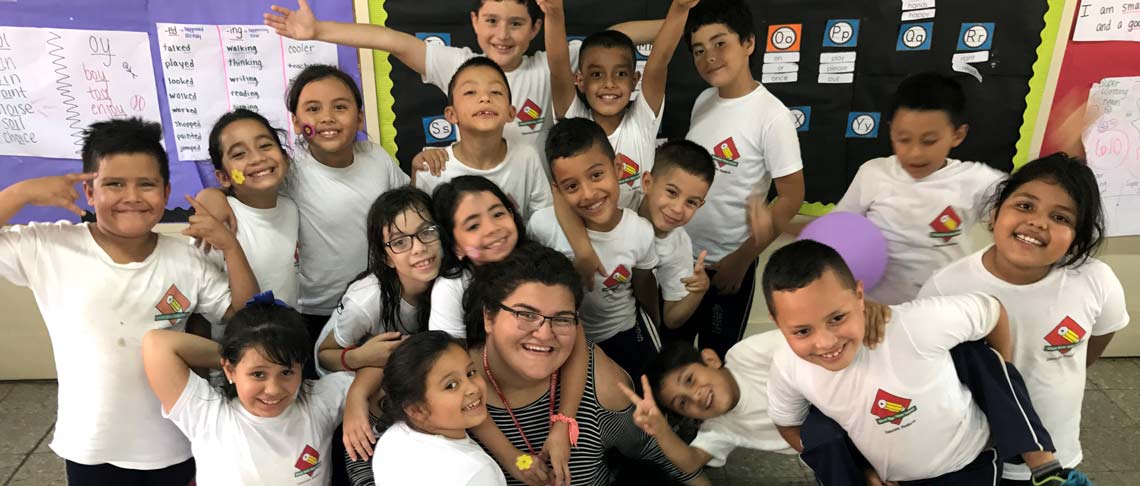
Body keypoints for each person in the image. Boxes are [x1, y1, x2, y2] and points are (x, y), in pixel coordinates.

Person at [0, 118, 257, 485]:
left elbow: (246, 319)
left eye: (147, 184)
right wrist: (22, 192)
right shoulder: (49, 246)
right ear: (90, 192)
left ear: (166, 191)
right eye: (114, 184)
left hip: (174, 441)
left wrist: (232, 248)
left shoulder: (186, 257)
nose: (132, 197)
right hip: (92, 444)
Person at [763, 240, 1082, 485]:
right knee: (818, 429)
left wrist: (1000, 386)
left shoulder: (916, 324)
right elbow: (789, 424)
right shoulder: (787, 366)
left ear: (860, 296)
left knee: (978, 355)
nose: (826, 342)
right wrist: (861, 471)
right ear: (777, 323)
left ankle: (1043, 464)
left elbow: (993, 312)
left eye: (837, 318)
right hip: (892, 479)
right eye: (803, 331)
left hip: (968, 467)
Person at [921, 153, 1127, 485]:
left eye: (1060, 217)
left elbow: (1099, 339)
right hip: (972, 456)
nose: (1038, 222)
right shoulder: (946, 286)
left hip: (1055, 455)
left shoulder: (1096, 281)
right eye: (1025, 206)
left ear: (1078, 236)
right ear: (995, 212)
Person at [198, 65, 410, 378]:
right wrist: (211, 197)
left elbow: (408, 205)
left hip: (377, 302)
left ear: (360, 117)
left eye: (340, 107)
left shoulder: (377, 158)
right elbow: (247, 183)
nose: (327, 117)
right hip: (314, 313)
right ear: (297, 123)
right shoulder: (290, 171)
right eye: (313, 109)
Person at [266, 0, 651, 160]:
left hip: (540, 201)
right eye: (492, 22)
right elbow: (391, 40)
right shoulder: (457, 64)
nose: (503, 34)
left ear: (536, 27)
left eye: (516, 24)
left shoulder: (551, 62)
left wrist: (685, 18)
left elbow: (619, 34)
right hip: (478, 203)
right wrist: (318, 30)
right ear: (474, 23)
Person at [465, 243, 708, 485]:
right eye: (526, 315)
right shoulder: (449, 388)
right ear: (489, 317)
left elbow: (658, 455)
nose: (544, 334)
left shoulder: (600, 384)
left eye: (561, 319)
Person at [806, 72, 1005, 305]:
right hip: (875, 312)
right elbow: (835, 230)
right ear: (891, 131)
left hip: (941, 308)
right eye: (903, 139)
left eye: (929, 141)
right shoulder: (873, 173)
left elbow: (1026, 205)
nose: (914, 153)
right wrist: (779, 225)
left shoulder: (977, 180)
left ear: (957, 135)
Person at [676, 0, 806, 358]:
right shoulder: (703, 100)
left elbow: (792, 196)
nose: (710, 57)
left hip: (728, 264)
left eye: (720, 43)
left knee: (718, 357)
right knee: (675, 353)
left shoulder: (772, 116)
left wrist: (743, 258)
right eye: (699, 50)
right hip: (683, 257)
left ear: (748, 43)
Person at [142, 293, 366, 486]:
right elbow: (156, 344)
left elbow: (379, 370)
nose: (273, 389)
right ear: (229, 370)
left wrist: (357, 397)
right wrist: (242, 354)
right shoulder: (207, 414)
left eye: (286, 372)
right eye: (258, 374)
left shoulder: (318, 400)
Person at [528, 118, 660, 378]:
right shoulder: (542, 226)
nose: (588, 194)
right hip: (566, 342)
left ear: (618, 168)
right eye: (572, 186)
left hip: (623, 332)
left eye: (596, 175)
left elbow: (645, 284)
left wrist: (655, 323)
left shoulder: (640, 231)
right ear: (557, 190)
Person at [542, 0, 692, 205]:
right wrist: (554, 12)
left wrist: (680, 7)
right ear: (580, 80)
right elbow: (559, 68)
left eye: (620, 74)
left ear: (634, 80)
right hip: (579, 233)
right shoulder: (574, 121)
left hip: (636, 234)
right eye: (596, 74)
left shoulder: (642, 123)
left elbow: (659, 62)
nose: (609, 84)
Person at [411, 57, 552, 220]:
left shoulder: (527, 158)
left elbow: (544, 222)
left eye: (496, 92)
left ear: (511, 113)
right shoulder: (434, 168)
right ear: (451, 114)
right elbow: (424, 230)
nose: (485, 98)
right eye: (470, 92)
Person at [370, 330, 507, 485]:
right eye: (451, 385)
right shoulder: (475, 472)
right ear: (417, 410)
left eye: (471, 372)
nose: (472, 388)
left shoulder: (390, 441)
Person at [199, 108, 300, 313]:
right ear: (224, 177)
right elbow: (198, 304)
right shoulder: (216, 223)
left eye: (265, 145)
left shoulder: (291, 208)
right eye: (239, 154)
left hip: (287, 338)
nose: (257, 158)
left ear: (285, 159)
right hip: (237, 341)